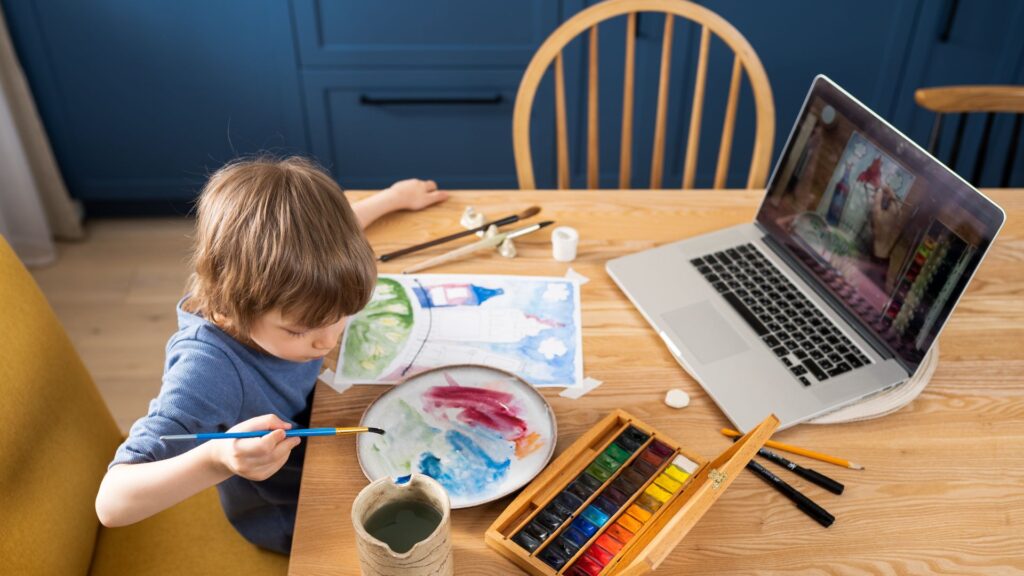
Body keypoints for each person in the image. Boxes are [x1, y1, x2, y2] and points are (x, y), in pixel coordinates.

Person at [94, 156, 448, 554]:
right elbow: (112, 502)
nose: (328, 341)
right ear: (230, 307)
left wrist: (393, 198)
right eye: (300, 330)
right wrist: (218, 459)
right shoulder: (207, 372)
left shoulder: (272, 281)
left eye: (342, 316)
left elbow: (329, 237)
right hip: (293, 510)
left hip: (323, 439)